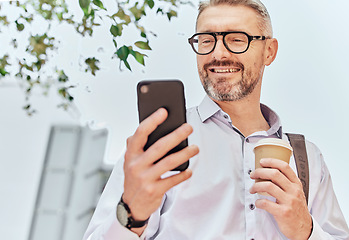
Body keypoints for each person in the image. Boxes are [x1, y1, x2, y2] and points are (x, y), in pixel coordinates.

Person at [83, 0, 349, 239]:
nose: (218, 54)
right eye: (207, 40)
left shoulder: (308, 159)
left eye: (236, 39)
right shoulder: (161, 144)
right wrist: (132, 214)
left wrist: (306, 229)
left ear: (269, 51)